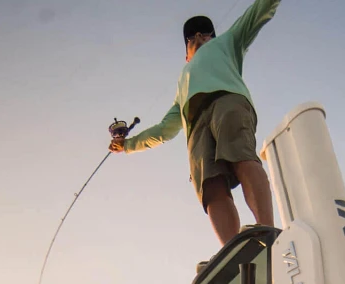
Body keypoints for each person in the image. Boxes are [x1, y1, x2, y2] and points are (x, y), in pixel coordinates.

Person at [109, 0, 282, 246]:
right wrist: (128, 145)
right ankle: (232, 252)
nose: (198, 36)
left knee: (240, 155)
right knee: (209, 185)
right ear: (186, 55)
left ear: (214, 36)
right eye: (190, 37)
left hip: (227, 102)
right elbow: (163, 130)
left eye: (205, 32)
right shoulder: (182, 82)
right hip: (195, 127)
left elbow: (259, 12)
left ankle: (266, 230)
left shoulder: (228, 42)